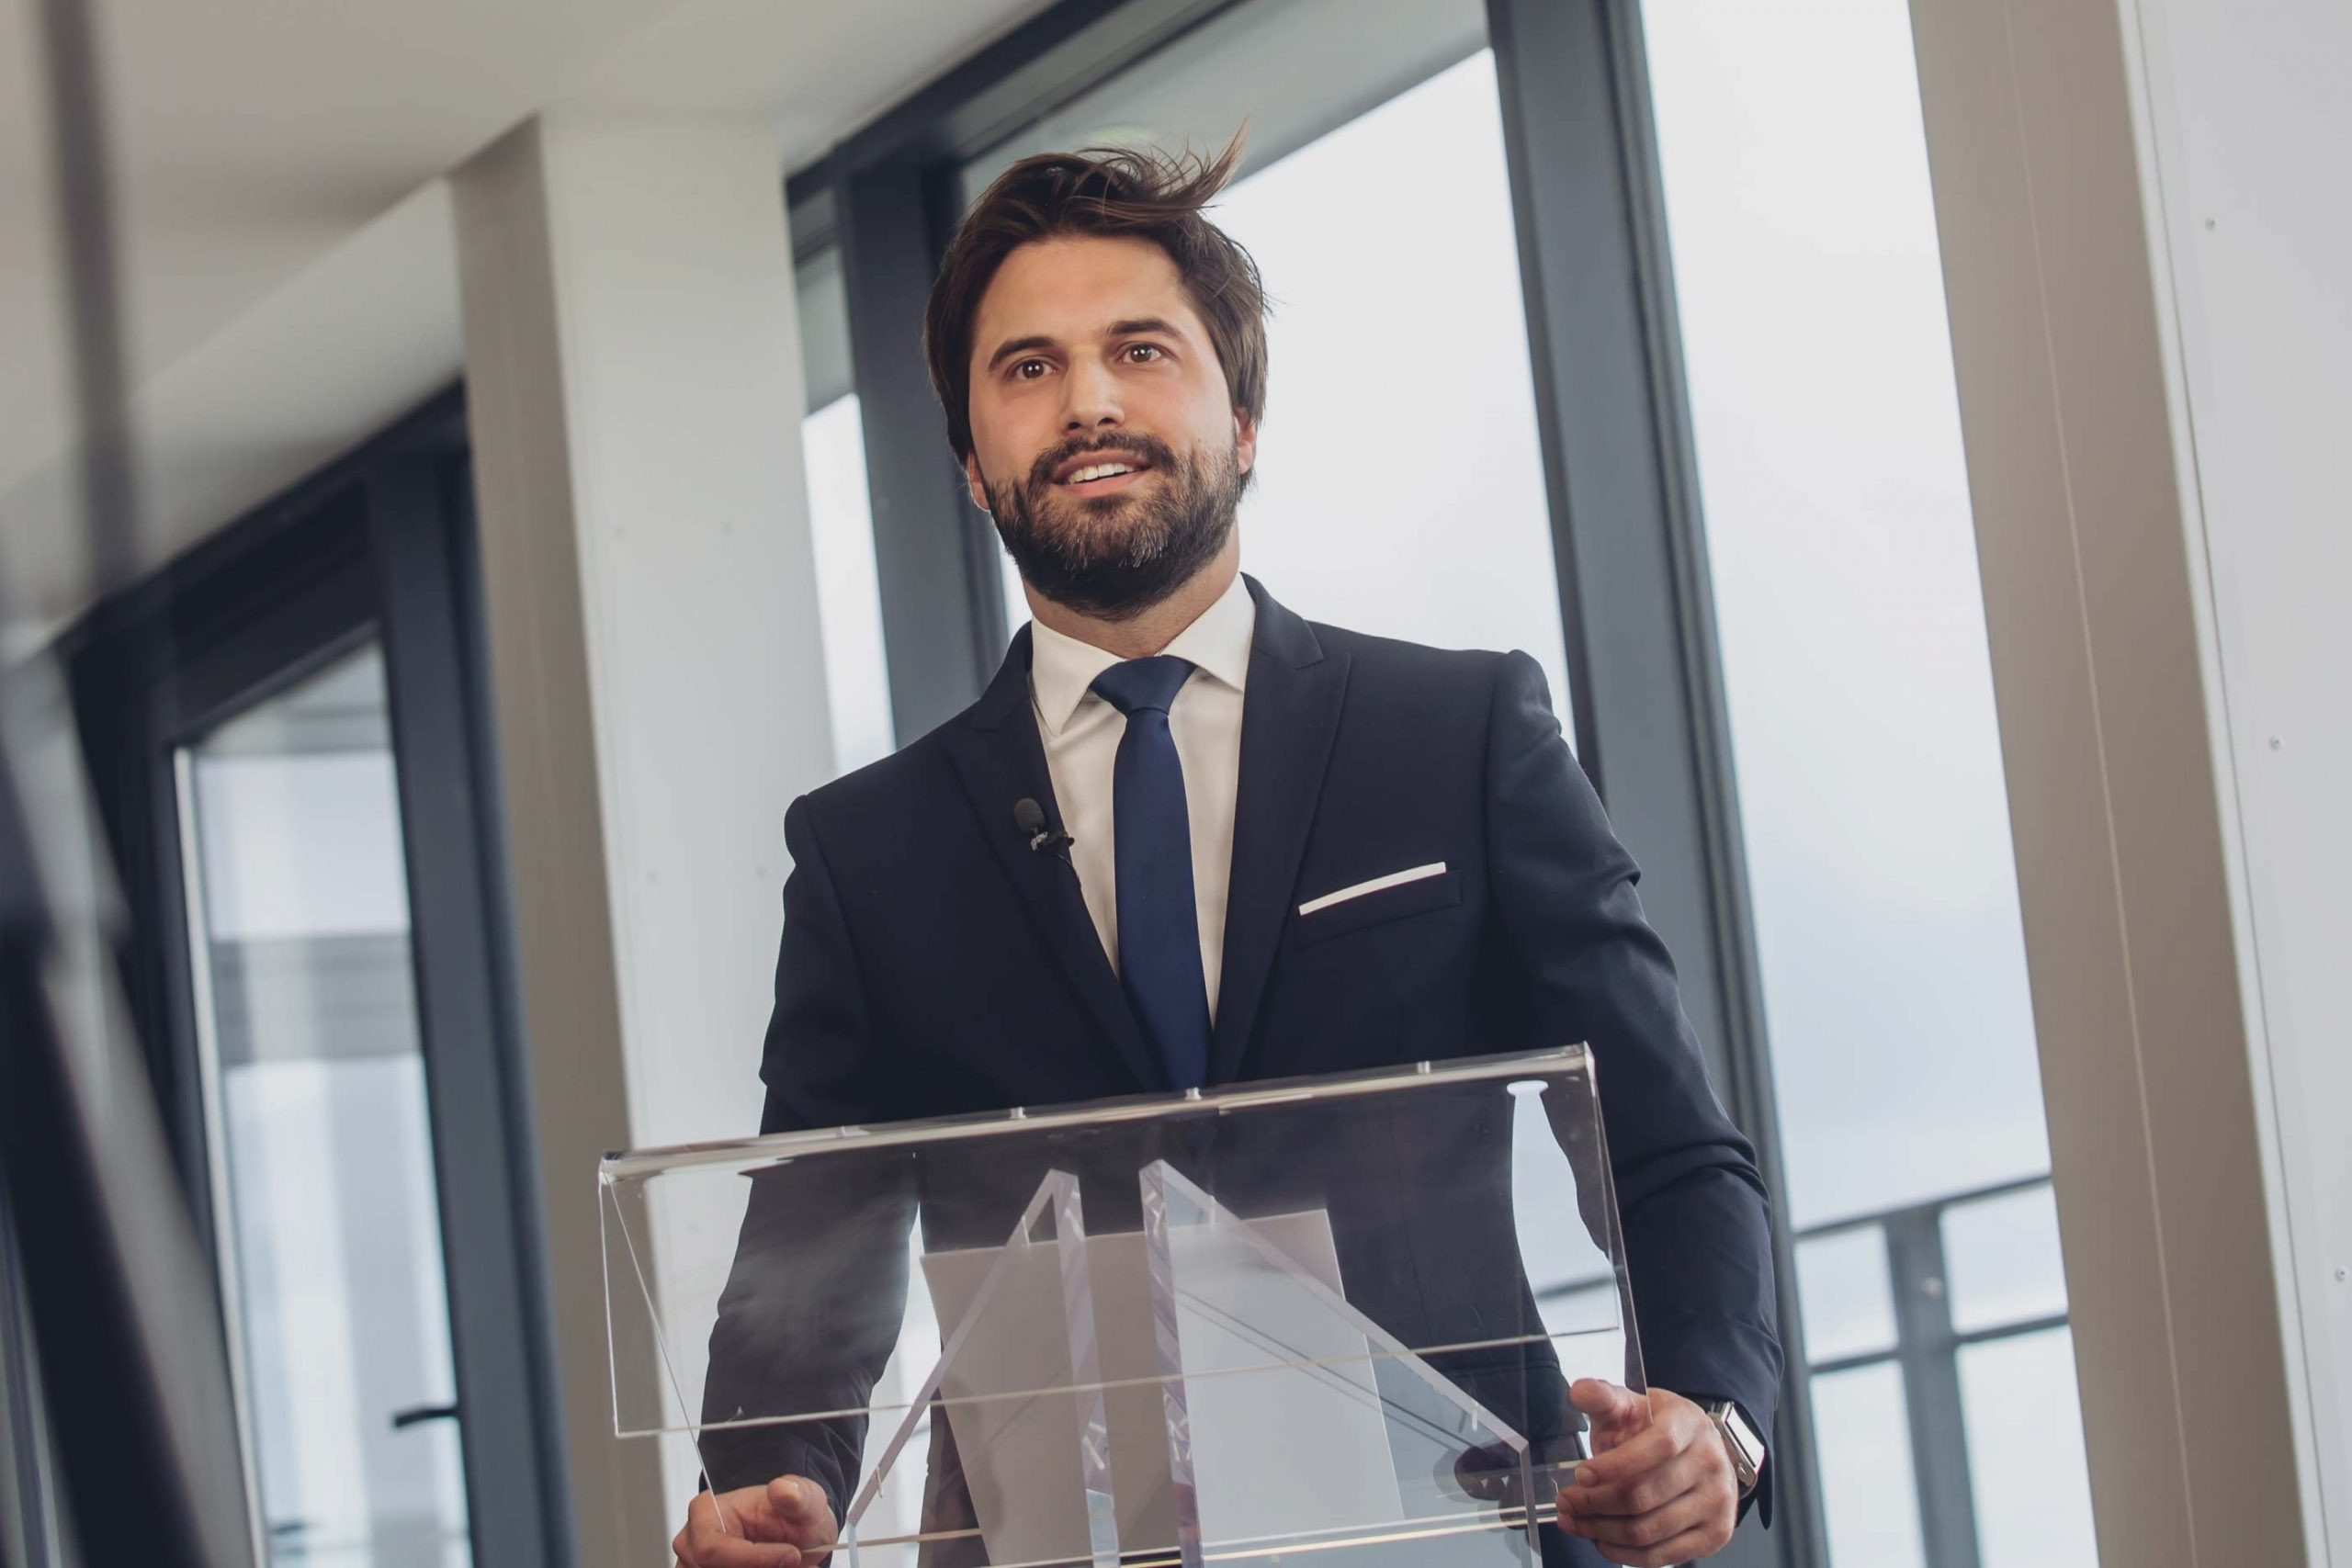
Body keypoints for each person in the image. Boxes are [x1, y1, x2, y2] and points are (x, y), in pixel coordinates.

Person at [673, 133, 1780, 1568]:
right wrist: (775, 1484)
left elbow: (1663, 1140)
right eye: (1027, 368)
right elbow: (800, 1273)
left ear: (1242, 417)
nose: (1088, 400)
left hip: (1463, 1533)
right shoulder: (865, 855)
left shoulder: (1456, 734)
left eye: (1141, 350)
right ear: (968, 459)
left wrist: (1714, 1414)